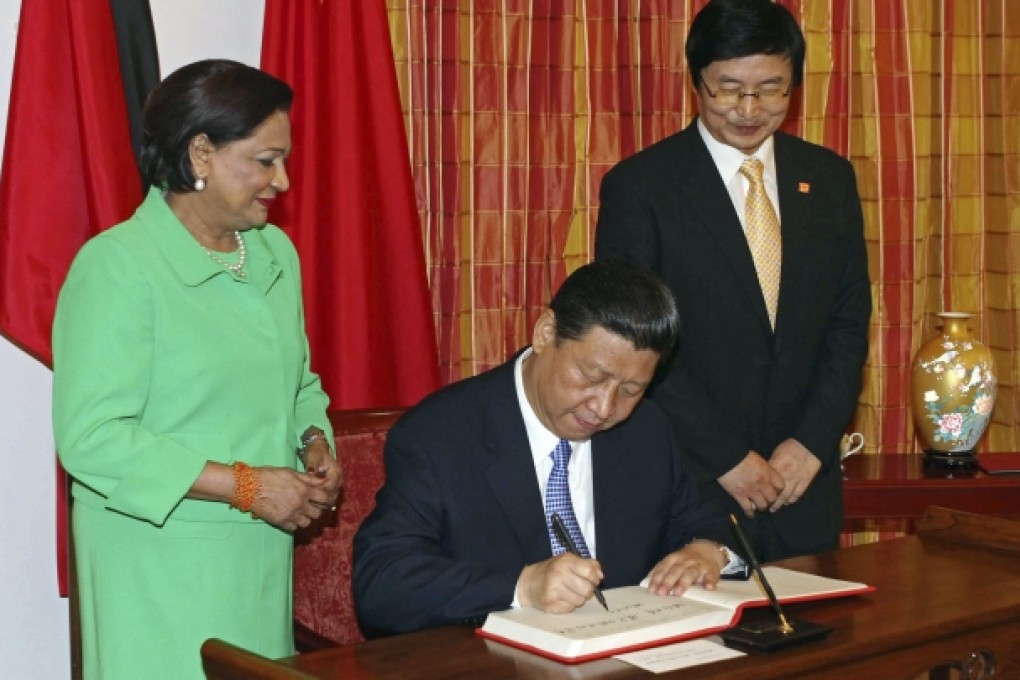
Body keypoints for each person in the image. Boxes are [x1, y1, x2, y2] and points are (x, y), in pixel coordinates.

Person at [52, 60, 342, 679]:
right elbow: (93, 439)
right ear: (201, 153)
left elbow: (298, 385)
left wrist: (314, 442)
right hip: (157, 568)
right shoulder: (117, 267)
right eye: (265, 161)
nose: (282, 181)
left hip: (258, 560)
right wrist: (246, 486)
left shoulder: (273, 253)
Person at [595, 0, 871, 562]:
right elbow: (635, 343)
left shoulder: (829, 178)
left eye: (772, 88)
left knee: (821, 642)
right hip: (691, 484)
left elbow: (847, 324)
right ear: (697, 81)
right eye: (729, 88)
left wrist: (812, 442)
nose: (750, 108)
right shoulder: (641, 187)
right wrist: (725, 457)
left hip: (803, 484)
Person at [353, 260, 743, 636]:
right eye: (591, 376)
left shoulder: (646, 430)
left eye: (630, 390)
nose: (604, 408)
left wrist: (710, 551)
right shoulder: (441, 435)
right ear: (545, 333)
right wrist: (522, 586)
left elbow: (711, 518)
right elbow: (383, 582)